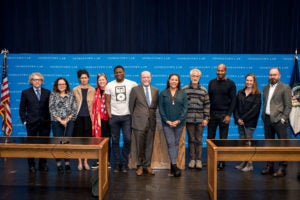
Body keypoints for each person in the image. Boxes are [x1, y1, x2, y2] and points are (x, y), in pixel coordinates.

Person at [105, 65, 137, 173]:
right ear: (114, 74)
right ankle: (117, 163)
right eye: (116, 72)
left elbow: (136, 99)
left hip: (127, 117)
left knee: (128, 139)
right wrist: (110, 115)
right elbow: (107, 102)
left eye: (120, 72)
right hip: (114, 117)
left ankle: (124, 162)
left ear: (124, 72)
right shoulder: (109, 85)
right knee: (115, 141)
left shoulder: (132, 84)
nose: (118, 74)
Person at [261, 67, 292, 177]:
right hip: (267, 120)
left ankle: (282, 167)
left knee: (282, 145)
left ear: (279, 76)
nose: (272, 77)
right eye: (270, 75)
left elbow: (288, 106)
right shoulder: (265, 88)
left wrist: (283, 119)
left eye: (274, 75)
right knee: (269, 144)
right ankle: (270, 165)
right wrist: (264, 117)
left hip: (279, 121)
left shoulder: (285, 87)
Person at [19, 72, 51, 173]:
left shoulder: (47, 92)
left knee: (44, 145)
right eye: (34, 79)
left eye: (39, 80)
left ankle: (43, 164)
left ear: (42, 81)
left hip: (45, 123)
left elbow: (50, 108)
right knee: (31, 145)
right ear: (31, 81)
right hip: (31, 123)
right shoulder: (25, 92)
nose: (37, 81)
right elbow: (22, 109)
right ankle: (31, 165)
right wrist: (24, 121)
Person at [129, 71, 159, 176]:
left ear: (151, 78)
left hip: (151, 122)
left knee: (149, 145)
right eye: (144, 77)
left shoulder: (155, 90)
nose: (146, 79)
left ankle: (147, 165)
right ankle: (139, 166)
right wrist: (138, 118)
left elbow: (154, 107)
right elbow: (131, 107)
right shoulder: (135, 90)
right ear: (141, 78)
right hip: (138, 123)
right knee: (139, 146)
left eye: (148, 77)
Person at [207, 63, 236, 171]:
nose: (219, 72)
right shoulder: (211, 83)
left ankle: (222, 162)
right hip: (212, 115)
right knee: (210, 139)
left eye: (222, 70)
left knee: (223, 140)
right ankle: (211, 160)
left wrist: (229, 115)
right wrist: (207, 115)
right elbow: (209, 99)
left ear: (225, 71)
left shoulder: (231, 84)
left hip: (224, 115)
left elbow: (233, 101)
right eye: (218, 70)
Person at [159, 73, 187, 177]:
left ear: (178, 82)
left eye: (176, 80)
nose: (174, 81)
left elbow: (185, 109)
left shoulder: (183, 94)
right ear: (169, 81)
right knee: (171, 144)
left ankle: (172, 168)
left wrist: (178, 120)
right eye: (172, 79)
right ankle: (175, 166)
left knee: (175, 144)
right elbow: (161, 109)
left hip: (179, 124)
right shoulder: (163, 93)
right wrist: (167, 121)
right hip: (167, 124)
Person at [234, 73, 261, 172]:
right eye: (247, 80)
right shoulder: (240, 92)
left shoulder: (257, 94)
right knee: (243, 143)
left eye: (251, 80)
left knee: (248, 143)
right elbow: (235, 107)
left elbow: (255, 110)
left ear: (254, 82)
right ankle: (244, 162)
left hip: (249, 123)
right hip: (240, 122)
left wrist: (243, 119)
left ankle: (250, 164)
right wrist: (238, 118)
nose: (249, 82)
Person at [183, 69, 210, 170]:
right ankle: (192, 159)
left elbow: (207, 105)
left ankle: (198, 160)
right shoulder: (184, 89)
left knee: (199, 140)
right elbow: (182, 105)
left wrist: (206, 118)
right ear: (190, 77)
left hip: (200, 120)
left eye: (197, 76)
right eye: (193, 76)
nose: (195, 78)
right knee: (191, 140)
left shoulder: (203, 90)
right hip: (188, 119)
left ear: (199, 77)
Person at [49, 77, 77, 174]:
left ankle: (67, 163)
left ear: (66, 85)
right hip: (56, 122)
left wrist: (67, 120)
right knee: (58, 142)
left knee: (67, 142)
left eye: (63, 84)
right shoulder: (53, 95)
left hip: (69, 122)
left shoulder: (71, 95)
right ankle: (59, 164)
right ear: (57, 85)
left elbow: (74, 109)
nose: (61, 86)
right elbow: (51, 109)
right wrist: (60, 120)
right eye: (59, 84)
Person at [73, 69, 95, 171]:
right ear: (79, 79)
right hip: (78, 118)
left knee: (87, 141)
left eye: (85, 77)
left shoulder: (93, 89)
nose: (84, 79)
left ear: (88, 78)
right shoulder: (75, 89)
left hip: (88, 118)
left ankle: (86, 161)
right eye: (82, 78)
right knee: (78, 141)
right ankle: (79, 162)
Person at [91, 73, 111, 169]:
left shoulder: (110, 90)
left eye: (103, 79)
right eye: (100, 80)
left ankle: (107, 161)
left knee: (107, 141)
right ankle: (98, 161)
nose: (101, 81)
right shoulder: (95, 91)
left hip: (108, 119)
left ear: (106, 80)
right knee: (98, 141)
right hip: (97, 121)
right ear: (97, 82)